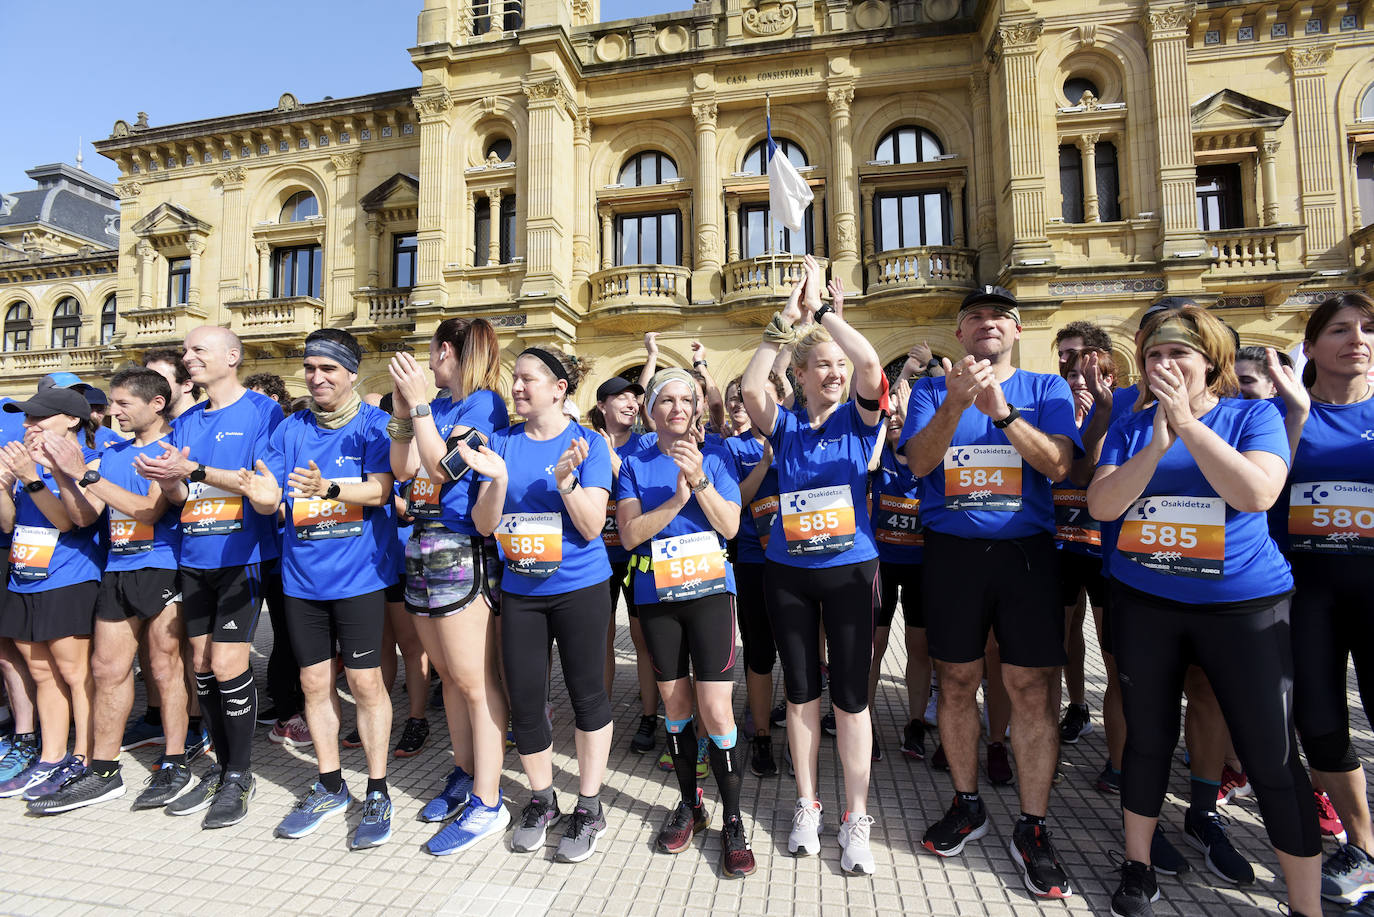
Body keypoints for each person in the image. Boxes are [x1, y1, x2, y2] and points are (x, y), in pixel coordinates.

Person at [1088, 304, 1322, 917]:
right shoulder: (1132, 425)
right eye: (1154, 356)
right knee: (1148, 739)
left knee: (1270, 753)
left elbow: (1257, 492)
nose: (1163, 365)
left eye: (1178, 355)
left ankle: (1305, 902)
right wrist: (1156, 439)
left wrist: (1188, 425)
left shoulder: (1253, 415)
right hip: (1147, 604)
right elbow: (1104, 506)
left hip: (1241, 606)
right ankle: (1137, 866)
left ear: (1210, 364)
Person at [902, 285, 1082, 898]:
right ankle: (967, 801)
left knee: (1030, 687)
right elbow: (921, 464)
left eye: (999, 317)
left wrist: (1001, 410)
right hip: (951, 555)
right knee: (955, 680)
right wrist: (956, 404)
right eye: (974, 317)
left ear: (1017, 330)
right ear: (959, 334)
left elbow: (1058, 466)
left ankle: (1033, 826)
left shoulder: (1047, 389)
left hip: (1026, 554)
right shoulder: (931, 389)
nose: (987, 324)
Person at [741, 255, 885, 876]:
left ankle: (857, 817)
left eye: (838, 364)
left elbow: (874, 367)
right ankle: (807, 804)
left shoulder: (860, 415)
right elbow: (751, 389)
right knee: (801, 694)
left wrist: (825, 316)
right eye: (820, 363)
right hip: (788, 573)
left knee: (850, 699)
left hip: (852, 570)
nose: (834, 371)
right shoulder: (788, 425)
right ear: (797, 374)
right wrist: (787, 320)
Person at [238, 329, 399, 849]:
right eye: (310, 368)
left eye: (328, 368)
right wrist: (264, 498)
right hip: (302, 580)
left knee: (366, 684)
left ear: (351, 372)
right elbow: (273, 500)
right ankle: (330, 783)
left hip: (359, 578)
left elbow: (381, 490)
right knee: (312, 684)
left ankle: (377, 788)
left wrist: (327, 487)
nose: (317, 377)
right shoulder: (291, 429)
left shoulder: (375, 425)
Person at [463, 345, 615, 863]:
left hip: (580, 589)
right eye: (516, 379)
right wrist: (499, 480)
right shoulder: (499, 444)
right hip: (521, 592)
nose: (518, 387)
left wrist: (567, 483)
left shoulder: (588, 443)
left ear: (559, 389)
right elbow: (485, 525)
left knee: (587, 695)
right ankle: (542, 799)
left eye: (529, 379)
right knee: (526, 701)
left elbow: (593, 526)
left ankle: (589, 806)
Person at [25, 370, 195, 814]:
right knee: (106, 669)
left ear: (156, 405)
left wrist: (84, 473)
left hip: (161, 567)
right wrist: (65, 476)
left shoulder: (171, 449)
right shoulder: (110, 454)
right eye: (113, 404)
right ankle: (103, 770)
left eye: (123, 404)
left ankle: (175, 761)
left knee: (164, 667)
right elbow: (84, 517)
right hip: (116, 569)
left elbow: (149, 509)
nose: (113, 412)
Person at [134, 325, 284, 829]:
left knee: (225, 664)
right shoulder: (189, 420)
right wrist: (171, 480)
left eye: (199, 350)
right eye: (186, 351)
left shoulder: (263, 412)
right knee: (199, 663)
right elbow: (178, 500)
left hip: (240, 557)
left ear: (233, 357)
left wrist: (192, 469)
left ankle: (240, 774)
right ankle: (220, 767)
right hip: (194, 557)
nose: (188, 357)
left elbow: (260, 486)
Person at [617, 368, 753, 877]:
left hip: (711, 594)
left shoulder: (716, 454)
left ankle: (733, 819)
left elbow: (731, 526)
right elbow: (630, 535)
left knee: (716, 711)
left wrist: (697, 481)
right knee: (676, 706)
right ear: (651, 410)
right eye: (666, 400)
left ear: (697, 407)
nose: (677, 407)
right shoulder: (633, 462)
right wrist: (674, 499)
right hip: (658, 596)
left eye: (686, 400)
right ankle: (690, 803)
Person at [387, 317, 509, 855]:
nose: (425, 365)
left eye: (432, 354)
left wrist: (417, 408)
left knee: (475, 680)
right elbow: (404, 467)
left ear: (447, 352)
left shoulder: (484, 406)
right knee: (451, 679)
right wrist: (402, 413)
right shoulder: (435, 408)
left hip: (462, 549)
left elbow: (445, 471)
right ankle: (464, 773)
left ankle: (489, 801)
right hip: (422, 544)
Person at [1271, 293, 1374, 910]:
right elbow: (1260, 486)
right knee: (1319, 720)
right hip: (1306, 590)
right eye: (1339, 329)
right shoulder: (1282, 410)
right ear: (1309, 347)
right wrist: (1295, 416)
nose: (1357, 338)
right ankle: (1361, 846)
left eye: (1367, 328)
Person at [0, 387, 104, 802]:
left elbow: (70, 522)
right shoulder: (28, 465)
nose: (28, 426)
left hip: (69, 577)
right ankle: (49, 757)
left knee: (75, 674)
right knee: (41, 673)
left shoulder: (89, 464)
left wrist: (30, 478)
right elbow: (7, 525)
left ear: (72, 421)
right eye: (26, 419)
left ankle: (83, 757)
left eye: (38, 419)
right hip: (24, 575)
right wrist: (4, 484)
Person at [1053, 346, 1119, 758]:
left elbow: (1092, 472)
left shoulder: (1119, 420)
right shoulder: (1058, 421)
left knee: (1111, 645)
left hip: (1103, 547)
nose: (1081, 382)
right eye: (1073, 375)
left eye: (1091, 375)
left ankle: (1120, 753)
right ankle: (1077, 706)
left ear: (1110, 380)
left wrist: (1099, 418)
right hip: (1061, 543)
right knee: (1064, 636)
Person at [589, 375, 658, 754]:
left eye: (635, 398)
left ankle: (649, 717)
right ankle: (602, 717)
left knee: (642, 639)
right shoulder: (585, 442)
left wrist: (612, 460)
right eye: (621, 398)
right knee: (601, 642)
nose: (631, 403)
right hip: (596, 558)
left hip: (636, 555)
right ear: (602, 406)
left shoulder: (647, 444)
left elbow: (646, 497)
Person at [723, 368, 786, 778]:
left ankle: (803, 738)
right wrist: (764, 464)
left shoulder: (798, 435)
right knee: (759, 652)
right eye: (745, 397)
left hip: (804, 560)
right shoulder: (731, 446)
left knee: (799, 657)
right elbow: (736, 501)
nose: (750, 404)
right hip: (752, 558)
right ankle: (761, 735)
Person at [868, 372, 931, 764]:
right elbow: (871, 459)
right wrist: (886, 417)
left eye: (901, 416)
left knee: (918, 648)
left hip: (921, 567)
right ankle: (865, 721)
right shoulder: (880, 457)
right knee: (873, 648)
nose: (894, 419)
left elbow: (927, 468)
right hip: (882, 565)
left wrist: (912, 421)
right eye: (889, 416)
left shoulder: (928, 456)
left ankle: (915, 724)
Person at [245, 373, 307, 746]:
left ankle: (292, 708)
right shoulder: (259, 439)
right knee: (277, 637)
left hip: (290, 553)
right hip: (261, 555)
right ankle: (283, 703)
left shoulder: (287, 434)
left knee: (289, 637)